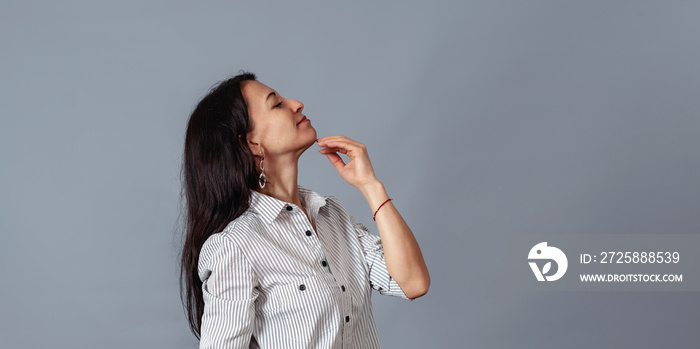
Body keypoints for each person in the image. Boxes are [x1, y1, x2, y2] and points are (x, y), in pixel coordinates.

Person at [180, 72, 430, 348]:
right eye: (276, 104)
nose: (297, 103)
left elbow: (412, 283)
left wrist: (370, 185)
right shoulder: (235, 246)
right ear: (252, 144)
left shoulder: (332, 216)